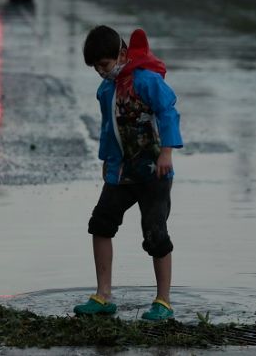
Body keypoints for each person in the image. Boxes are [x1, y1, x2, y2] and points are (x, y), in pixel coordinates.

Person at [74, 25, 183, 321]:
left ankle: (163, 301)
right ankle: (103, 295)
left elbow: (168, 112)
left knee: (155, 233)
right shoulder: (106, 90)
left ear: (122, 55)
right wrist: (106, 160)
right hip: (122, 172)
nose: (100, 72)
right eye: (95, 67)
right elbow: (108, 129)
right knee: (100, 223)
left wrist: (166, 152)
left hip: (154, 172)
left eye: (105, 65)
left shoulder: (146, 81)